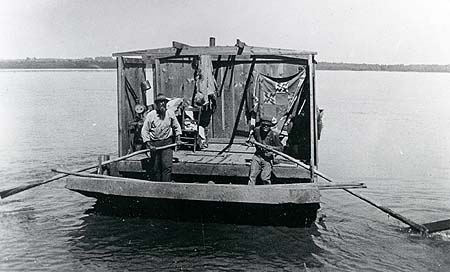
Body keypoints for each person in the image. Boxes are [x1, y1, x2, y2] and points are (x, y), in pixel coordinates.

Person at [141, 93, 182, 182]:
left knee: (167, 166)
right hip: (155, 144)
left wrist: (178, 139)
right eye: (160, 102)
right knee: (156, 168)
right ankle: (157, 187)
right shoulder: (151, 115)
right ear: (156, 104)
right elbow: (145, 131)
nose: (162, 104)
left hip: (167, 143)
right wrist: (149, 145)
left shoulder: (170, 113)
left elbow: (177, 127)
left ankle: (166, 187)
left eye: (164, 102)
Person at [248, 117, 283, 185]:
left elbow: (281, 148)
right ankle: (250, 192)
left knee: (265, 178)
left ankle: (268, 192)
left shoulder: (274, 134)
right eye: (263, 125)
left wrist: (272, 148)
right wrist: (252, 140)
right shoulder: (257, 130)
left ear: (270, 126)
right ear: (261, 124)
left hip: (267, 159)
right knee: (252, 177)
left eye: (268, 125)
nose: (265, 127)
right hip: (257, 157)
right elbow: (252, 136)